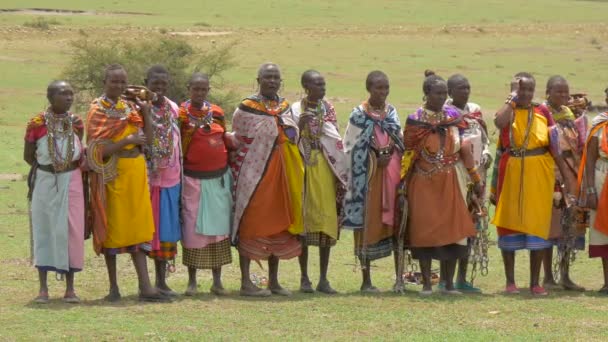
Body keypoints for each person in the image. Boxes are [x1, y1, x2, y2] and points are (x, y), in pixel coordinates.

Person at [86, 64, 169, 302]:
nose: (119, 86)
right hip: (112, 174)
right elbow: (96, 151)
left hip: (135, 172)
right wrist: (127, 141)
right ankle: (114, 289)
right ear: (105, 82)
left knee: (139, 227)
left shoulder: (131, 107)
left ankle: (146, 287)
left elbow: (149, 141)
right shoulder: (97, 110)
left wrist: (146, 114)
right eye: (114, 81)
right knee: (112, 228)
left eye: (123, 82)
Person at [492, 72, 574, 296]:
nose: (525, 94)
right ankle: (510, 282)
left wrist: (566, 177)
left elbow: (555, 146)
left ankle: (535, 282)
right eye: (521, 89)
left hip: (540, 173)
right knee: (509, 225)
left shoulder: (542, 111)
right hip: (512, 172)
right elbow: (499, 123)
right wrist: (511, 98)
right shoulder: (508, 111)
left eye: (529, 89)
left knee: (537, 225)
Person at [401, 71, 479, 295]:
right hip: (423, 181)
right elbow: (408, 151)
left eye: (445, 93)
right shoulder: (416, 119)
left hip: (450, 179)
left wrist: (474, 177)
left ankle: (449, 284)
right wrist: (402, 184)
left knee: (453, 231)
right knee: (424, 231)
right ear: (426, 94)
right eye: (438, 93)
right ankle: (426, 284)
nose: (443, 97)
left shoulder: (453, 114)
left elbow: (465, 141)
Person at [231, 63, 304, 297]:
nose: (272, 81)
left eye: (276, 77)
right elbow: (239, 139)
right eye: (268, 77)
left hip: (281, 173)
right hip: (254, 177)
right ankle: (245, 282)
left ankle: (274, 281)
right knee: (251, 225)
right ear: (258, 79)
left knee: (277, 226)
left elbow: (293, 135)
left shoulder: (285, 107)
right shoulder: (247, 107)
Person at [24, 80, 85, 303]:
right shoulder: (37, 124)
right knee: (45, 228)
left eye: (71, 94)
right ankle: (43, 289)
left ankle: (70, 289)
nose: (69, 98)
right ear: (50, 98)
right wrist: (50, 168)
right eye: (63, 94)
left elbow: (79, 148)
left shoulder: (76, 122)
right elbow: (28, 156)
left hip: (72, 181)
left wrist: (64, 167)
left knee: (71, 230)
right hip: (45, 180)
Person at [343, 70, 403, 293]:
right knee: (367, 225)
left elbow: (399, 140)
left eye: (386, 87)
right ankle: (366, 280)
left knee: (397, 223)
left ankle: (399, 278)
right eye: (379, 88)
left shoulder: (392, 113)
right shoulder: (358, 115)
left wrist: (390, 156)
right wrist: (373, 160)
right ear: (369, 89)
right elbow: (349, 148)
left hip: (392, 175)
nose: (383, 92)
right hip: (368, 179)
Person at [179, 72, 235, 296]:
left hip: (219, 180)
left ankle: (217, 281)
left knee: (218, 232)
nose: (200, 93)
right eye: (196, 89)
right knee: (193, 231)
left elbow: (224, 139)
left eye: (204, 89)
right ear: (189, 89)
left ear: (208, 91)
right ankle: (192, 282)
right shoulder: (181, 115)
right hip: (193, 180)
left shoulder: (218, 113)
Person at [292, 70, 348, 294]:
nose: (322, 88)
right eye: (317, 84)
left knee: (327, 224)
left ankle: (324, 279)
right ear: (306, 86)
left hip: (326, 168)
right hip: (304, 168)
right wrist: (300, 126)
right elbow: (290, 137)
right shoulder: (296, 109)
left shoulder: (328, 108)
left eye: (323, 84)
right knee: (305, 224)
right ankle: (304, 278)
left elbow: (333, 137)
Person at [438, 73, 492, 293]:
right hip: (456, 175)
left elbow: (484, 138)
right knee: (451, 228)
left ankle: (462, 278)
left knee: (471, 227)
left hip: (478, 175)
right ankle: (444, 279)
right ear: (450, 92)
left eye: (468, 87)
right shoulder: (445, 114)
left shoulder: (475, 109)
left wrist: (487, 153)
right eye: (460, 88)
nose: (466, 91)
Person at [541, 76, 587, 291]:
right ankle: (548, 277)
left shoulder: (570, 115)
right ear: (547, 92)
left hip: (570, 172)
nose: (563, 96)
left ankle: (565, 275)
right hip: (549, 172)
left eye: (565, 92)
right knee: (550, 225)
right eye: (558, 92)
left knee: (569, 224)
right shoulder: (541, 113)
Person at [144, 65, 182, 297]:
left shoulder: (174, 108)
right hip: (148, 180)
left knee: (166, 233)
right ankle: (147, 283)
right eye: (154, 83)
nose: (159, 88)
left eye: (163, 84)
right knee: (149, 232)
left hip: (171, 179)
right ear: (146, 82)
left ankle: (162, 281)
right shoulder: (139, 109)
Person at [578, 84, 608, 295]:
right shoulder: (599, 124)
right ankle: (607, 282)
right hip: (601, 176)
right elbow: (589, 160)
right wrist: (589, 189)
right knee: (602, 231)